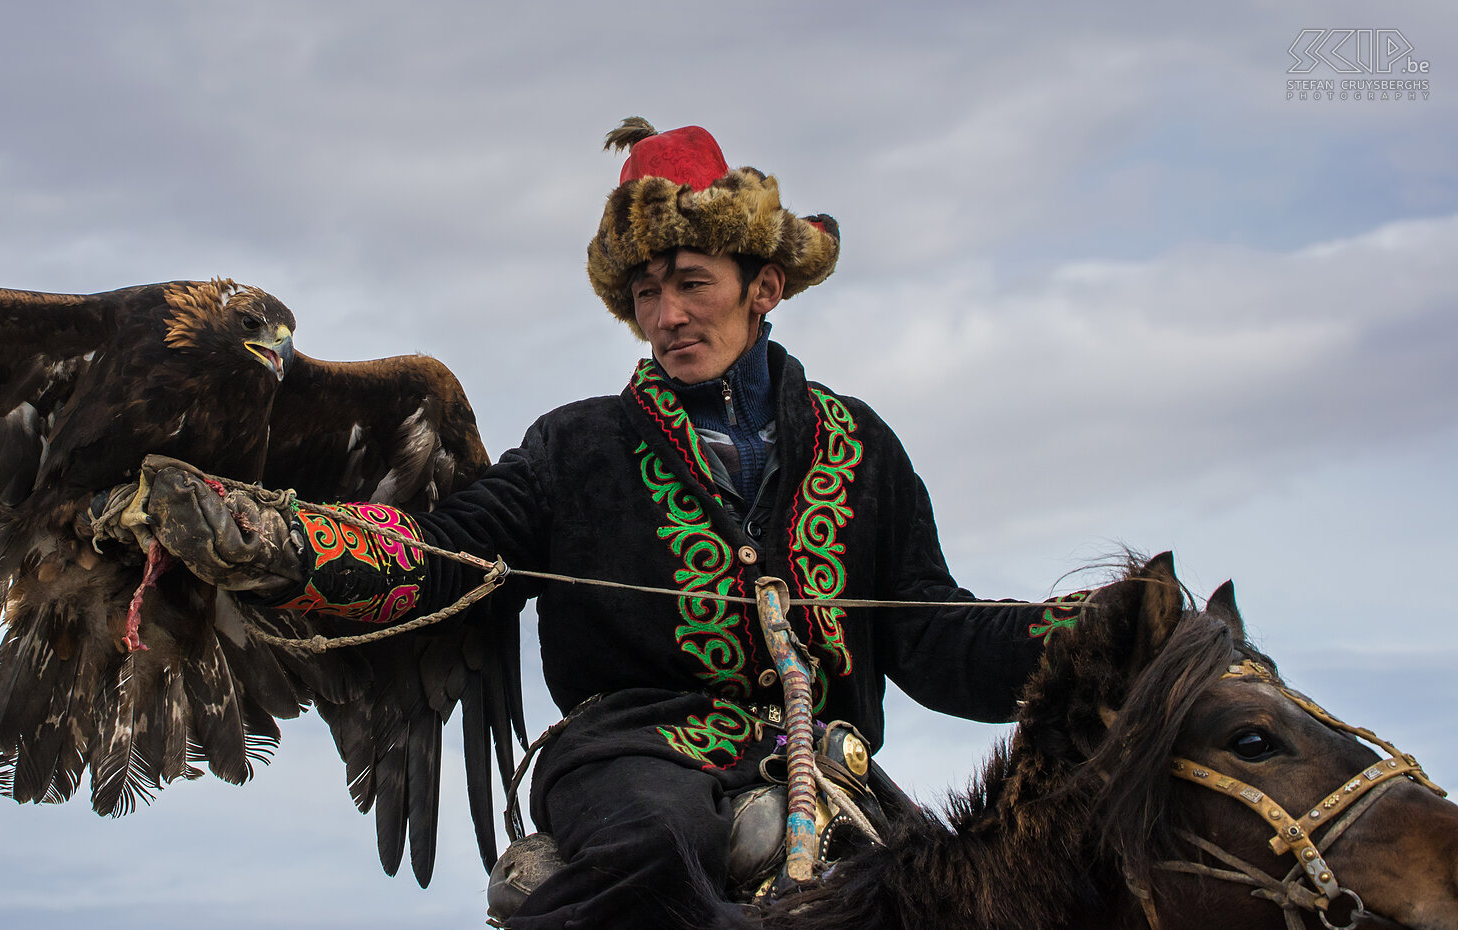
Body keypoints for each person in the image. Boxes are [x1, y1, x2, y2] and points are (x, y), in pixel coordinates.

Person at [147, 118, 1066, 929]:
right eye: (644, 295)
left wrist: (1099, 632)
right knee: (656, 860)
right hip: (628, 762)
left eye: (692, 284)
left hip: (822, 773)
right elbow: (447, 556)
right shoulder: (576, 445)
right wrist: (283, 543)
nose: (665, 317)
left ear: (766, 287)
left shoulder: (861, 446)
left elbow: (936, 636)